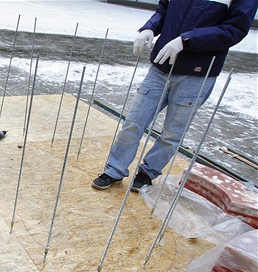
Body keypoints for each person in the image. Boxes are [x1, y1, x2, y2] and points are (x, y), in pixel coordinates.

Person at [92, 0, 258, 192]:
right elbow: (164, 9)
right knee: (134, 121)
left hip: (196, 74)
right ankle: (114, 170)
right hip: (161, 68)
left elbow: (234, 29)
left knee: (172, 134)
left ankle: (148, 172)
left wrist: (186, 40)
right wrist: (150, 28)